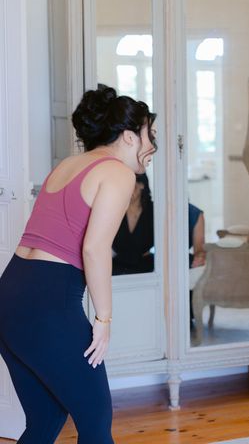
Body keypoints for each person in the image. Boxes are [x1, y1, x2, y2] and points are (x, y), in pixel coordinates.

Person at [0, 85, 157, 443]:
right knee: (96, 421)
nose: (153, 149)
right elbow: (94, 249)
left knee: (44, 419)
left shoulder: (69, 164)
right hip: (48, 302)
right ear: (130, 136)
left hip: (9, 295)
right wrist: (104, 319)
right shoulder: (118, 173)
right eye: (151, 135)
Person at [111, 173, 206, 275]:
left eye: (130, 185)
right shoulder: (115, 210)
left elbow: (169, 245)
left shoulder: (155, 210)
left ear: (142, 185)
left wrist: (199, 257)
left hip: (146, 265)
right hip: (118, 265)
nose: (126, 190)